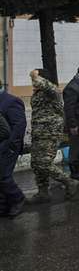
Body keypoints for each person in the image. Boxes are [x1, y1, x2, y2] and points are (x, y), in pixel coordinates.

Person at [27, 69, 78, 204]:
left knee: (44, 163)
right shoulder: (39, 93)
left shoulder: (52, 91)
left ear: (43, 80)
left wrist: (35, 76)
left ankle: (68, 181)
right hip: (39, 132)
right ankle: (43, 192)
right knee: (36, 164)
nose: (33, 82)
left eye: (37, 80)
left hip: (50, 132)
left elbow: (49, 87)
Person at [0, 82, 27, 217]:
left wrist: (10, 146)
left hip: (8, 147)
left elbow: (19, 126)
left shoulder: (11, 101)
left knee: (3, 176)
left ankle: (18, 198)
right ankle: (3, 205)